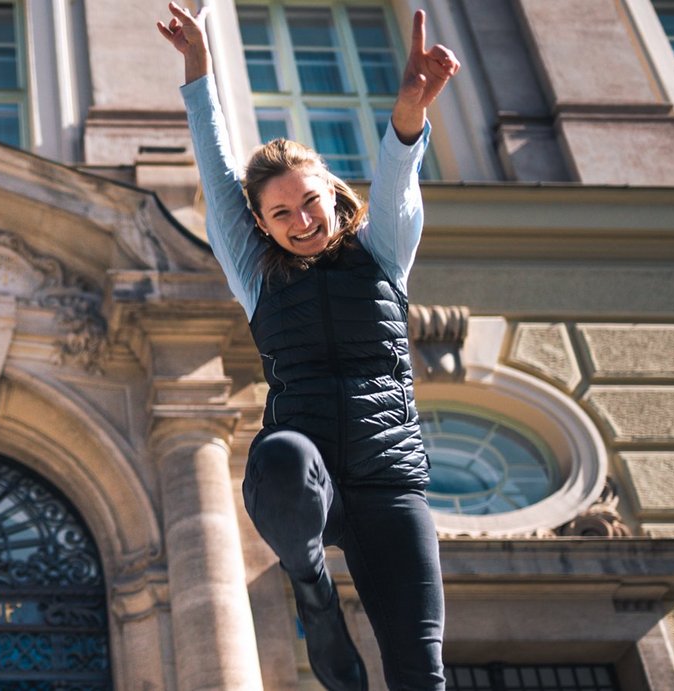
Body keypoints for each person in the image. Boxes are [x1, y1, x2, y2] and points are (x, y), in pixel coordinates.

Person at [157, 4, 460, 689]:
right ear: (260, 225)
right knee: (280, 455)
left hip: (389, 484)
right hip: (307, 476)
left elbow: (398, 179)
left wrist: (410, 110)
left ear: (331, 191)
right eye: (281, 213)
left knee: (422, 672)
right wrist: (198, 67)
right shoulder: (255, 274)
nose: (302, 221)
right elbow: (213, 166)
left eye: (310, 202)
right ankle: (313, 586)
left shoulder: (381, 251)